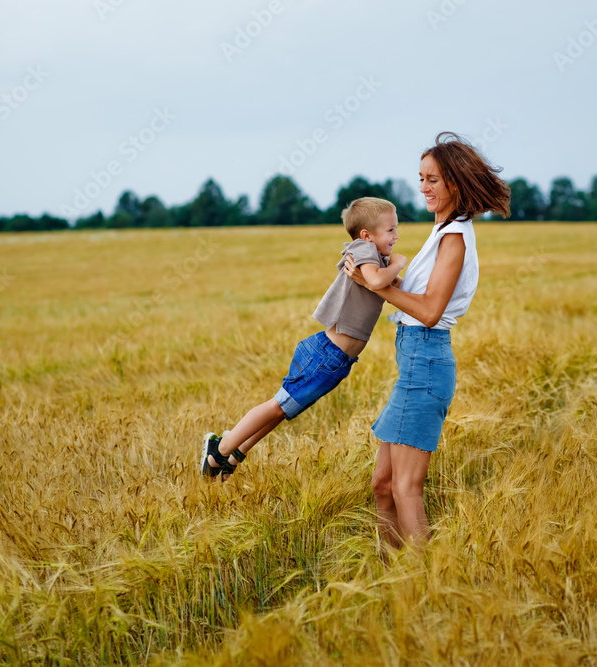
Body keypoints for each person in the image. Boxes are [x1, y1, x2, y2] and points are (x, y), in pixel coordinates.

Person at [344, 132, 510, 549]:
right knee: (383, 484)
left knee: (404, 489)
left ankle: (422, 586)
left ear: (454, 182)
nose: (423, 188)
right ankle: (392, 577)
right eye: (421, 179)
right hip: (415, 362)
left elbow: (431, 310)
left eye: (433, 179)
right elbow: (417, 293)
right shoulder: (443, 232)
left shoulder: (454, 236)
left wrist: (376, 285)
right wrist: (377, 276)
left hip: (426, 362)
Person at [202, 197, 406, 480]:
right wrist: (400, 262)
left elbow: (394, 287)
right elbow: (375, 282)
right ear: (366, 235)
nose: (397, 236)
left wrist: (393, 270)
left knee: (281, 411)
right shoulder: (364, 251)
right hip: (325, 356)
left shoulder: (376, 258)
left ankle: (234, 454)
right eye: (391, 230)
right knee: (277, 406)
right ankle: (218, 450)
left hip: (336, 360)